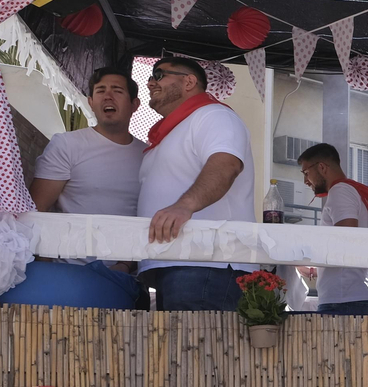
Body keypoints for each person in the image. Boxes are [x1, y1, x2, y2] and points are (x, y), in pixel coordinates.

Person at [137, 56, 257, 311]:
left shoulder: (213, 115)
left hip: (208, 261)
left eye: (159, 75)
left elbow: (226, 165)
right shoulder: (170, 132)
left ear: (189, 81)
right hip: (179, 262)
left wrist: (184, 206)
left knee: (197, 349)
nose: (149, 83)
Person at [32, 66, 146, 219]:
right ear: (91, 103)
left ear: (135, 104)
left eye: (117, 91)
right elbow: (36, 209)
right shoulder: (66, 144)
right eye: (100, 91)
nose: (108, 97)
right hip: (72, 242)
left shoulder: (148, 156)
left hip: (132, 242)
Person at [298, 142, 368, 316]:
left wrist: (310, 254)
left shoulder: (341, 191)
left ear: (321, 167)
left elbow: (346, 241)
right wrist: (318, 267)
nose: (306, 181)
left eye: (306, 173)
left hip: (344, 300)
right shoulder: (349, 191)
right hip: (350, 296)